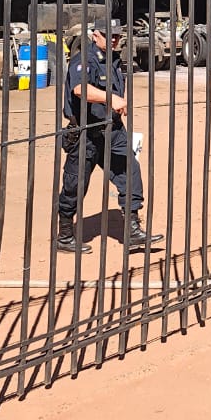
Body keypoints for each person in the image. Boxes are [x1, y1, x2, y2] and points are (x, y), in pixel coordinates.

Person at [55, 20, 162, 253]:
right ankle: (64, 235)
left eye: (116, 36)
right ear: (95, 36)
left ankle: (132, 230)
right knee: (75, 184)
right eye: (107, 35)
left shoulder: (113, 60)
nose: (113, 39)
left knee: (130, 172)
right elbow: (80, 89)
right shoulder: (84, 59)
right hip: (86, 132)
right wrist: (110, 99)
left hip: (113, 131)